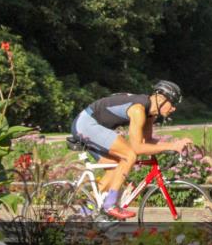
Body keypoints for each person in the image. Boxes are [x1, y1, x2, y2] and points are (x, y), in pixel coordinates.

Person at [71, 80, 192, 219]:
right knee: (129, 155)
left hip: (93, 125)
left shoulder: (150, 114)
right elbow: (137, 147)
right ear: (161, 99)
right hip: (86, 124)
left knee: (116, 167)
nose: (174, 108)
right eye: (173, 103)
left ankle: (84, 213)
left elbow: (147, 141)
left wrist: (175, 144)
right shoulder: (138, 109)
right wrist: (171, 146)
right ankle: (110, 204)